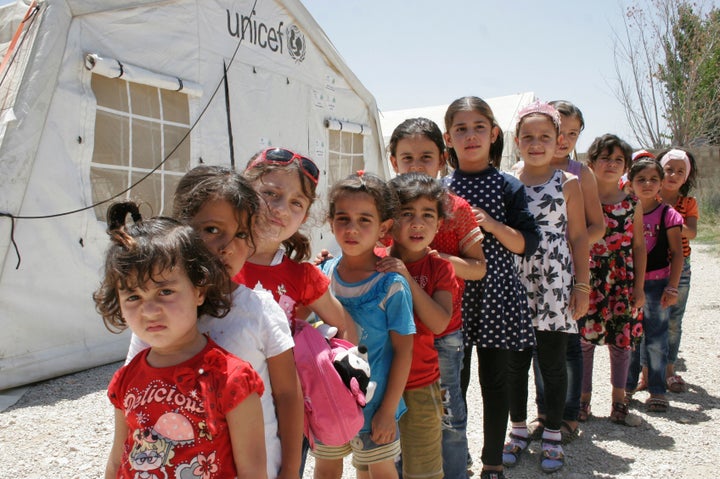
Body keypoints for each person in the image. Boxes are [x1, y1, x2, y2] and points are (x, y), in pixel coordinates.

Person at [125, 166, 303, 479]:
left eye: (241, 235)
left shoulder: (260, 311)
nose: (226, 246)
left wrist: (290, 470)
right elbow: (134, 395)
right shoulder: (158, 315)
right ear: (180, 230)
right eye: (211, 230)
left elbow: (288, 395)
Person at [95, 202, 267, 479]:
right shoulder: (126, 379)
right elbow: (118, 459)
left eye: (165, 292)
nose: (149, 311)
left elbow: (253, 471)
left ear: (199, 291)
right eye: (133, 297)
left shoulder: (231, 379)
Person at [443, 96, 540, 479]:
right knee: (455, 383)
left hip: (498, 294)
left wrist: (493, 225)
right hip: (451, 296)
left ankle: (492, 462)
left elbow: (527, 244)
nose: (471, 136)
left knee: (495, 382)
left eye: (479, 127)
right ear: (448, 138)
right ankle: (457, 455)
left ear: (494, 134)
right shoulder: (439, 187)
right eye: (461, 129)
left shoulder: (508, 186)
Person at [387, 117, 486, 479]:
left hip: (443, 330)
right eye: (407, 157)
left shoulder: (455, 207)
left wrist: (435, 261)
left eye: (426, 157)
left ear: (442, 159)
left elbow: (478, 268)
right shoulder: (385, 203)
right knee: (395, 414)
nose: (417, 165)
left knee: (447, 416)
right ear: (393, 160)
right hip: (395, 333)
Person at [502, 101, 590, 474]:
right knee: (514, 363)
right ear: (517, 140)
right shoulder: (506, 179)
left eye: (545, 137)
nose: (536, 143)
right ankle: (518, 430)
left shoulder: (567, 183)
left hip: (555, 281)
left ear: (558, 141)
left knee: (553, 363)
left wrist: (582, 286)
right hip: (515, 279)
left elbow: (579, 236)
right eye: (528, 137)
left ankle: (552, 433)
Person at [315, 171, 415, 479]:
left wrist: (387, 410)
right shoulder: (320, 275)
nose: (352, 229)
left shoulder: (392, 285)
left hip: (375, 406)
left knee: (377, 471)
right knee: (326, 468)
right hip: (326, 401)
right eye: (343, 218)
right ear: (330, 221)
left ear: (384, 227)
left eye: (364, 220)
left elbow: (403, 351)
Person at [525, 101, 603, 444]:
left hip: (564, 271)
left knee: (566, 348)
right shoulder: (520, 172)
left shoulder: (578, 175)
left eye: (573, 134)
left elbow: (592, 227)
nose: (565, 140)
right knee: (537, 348)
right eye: (563, 131)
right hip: (531, 272)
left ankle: (568, 415)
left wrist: (568, 253)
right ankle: (544, 413)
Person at [376, 172, 456, 479]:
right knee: (374, 466)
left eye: (427, 215)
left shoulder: (440, 268)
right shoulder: (373, 261)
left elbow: (438, 323)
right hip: (376, 384)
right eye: (406, 214)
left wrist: (406, 278)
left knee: (423, 469)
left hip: (421, 383)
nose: (417, 223)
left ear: (439, 224)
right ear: (389, 223)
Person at [235, 147, 356, 344]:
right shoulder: (212, 262)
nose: (281, 209)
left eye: (296, 203)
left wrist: (342, 364)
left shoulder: (303, 278)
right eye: (271, 193)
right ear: (242, 192)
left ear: (304, 217)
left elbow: (346, 329)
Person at [580, 134, 646, 428]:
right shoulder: (580, 201)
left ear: (626, 167)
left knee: (622, 342)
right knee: (584, 342)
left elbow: (639, 246)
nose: (611, 164)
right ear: (590, 163)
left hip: (622, 280)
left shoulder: (633, 204)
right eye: (604, 158)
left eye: (618, 159)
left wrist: (639, 287)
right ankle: (582, 402)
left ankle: (619, 403)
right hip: (588, 279)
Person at [625, 158, 684, 413]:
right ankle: (625, 388)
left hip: (658, 284)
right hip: (628, 284)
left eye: (653, 179)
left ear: (661, 183)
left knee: (657, 337)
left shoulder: (668, 214)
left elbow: (678, 253)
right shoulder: (625, 210)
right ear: (630, 184)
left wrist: (672, 287)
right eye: (641, 179)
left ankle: (657, 390)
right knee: (628, 338)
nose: (647, 184)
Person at [656, 148, 698, 393]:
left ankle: (669, 370)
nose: (673, 174)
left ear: (686, 177)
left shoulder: (688, 204)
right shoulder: (648, 199)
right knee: (649, 320)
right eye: (668, 169)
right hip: (653, 267)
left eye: (679, 171)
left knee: (673, 321)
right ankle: (647, 372)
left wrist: (669, 219)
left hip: (680, 268)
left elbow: (691, 232)